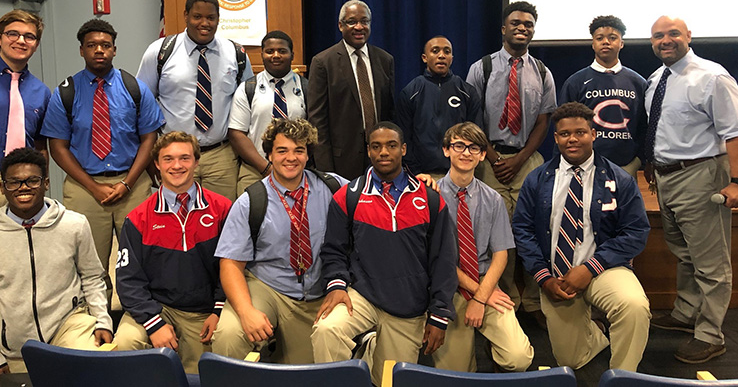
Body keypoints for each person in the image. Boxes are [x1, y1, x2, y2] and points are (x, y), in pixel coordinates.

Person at [311, 122, 457, 386]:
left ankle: (369, 350)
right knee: (326, 330)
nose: (384, 152)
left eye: (391, 145)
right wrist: (336, 285)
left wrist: (439, 314)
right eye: (376, 146)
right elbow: (334, 249)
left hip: (408, 306)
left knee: (389, 382)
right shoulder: (349, 196)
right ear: (368, 151)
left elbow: (444, 261)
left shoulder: (430, 199)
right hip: (362, 296)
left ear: (403, 149)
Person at [512, 102, 650, 371]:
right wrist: (543, 277)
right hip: (556, 276)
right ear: (556, 138)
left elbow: (636, 232)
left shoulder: (619, 179)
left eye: (580, 132)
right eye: (564, 134)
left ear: (593, 134)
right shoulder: (537, 179)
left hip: (603, 269)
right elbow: (523, 230)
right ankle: (596, 333)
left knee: (634, 306)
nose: (572, 139)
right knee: (571, 361)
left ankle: (623, 376)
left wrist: (590, 268)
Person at [212, 118, 346, 363]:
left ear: (308, 155)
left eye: (299, 150)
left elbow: (374, 193)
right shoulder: (251, 201)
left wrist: (419, 181)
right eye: (282, 150)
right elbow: (230, 264)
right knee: (229, 334)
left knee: (311, 373)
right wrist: (246, 312)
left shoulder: (333, 187)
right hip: (268, 287)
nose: (291, 158)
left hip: (318, 291)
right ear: (269, 155)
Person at [0, 148, 112, 373]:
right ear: (2, 188)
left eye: (32, 181)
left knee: (92, 372)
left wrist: (103, 320)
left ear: (46, 183)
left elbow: (93, 277)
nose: (23, 188)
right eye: (14, 182)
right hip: (15, 346)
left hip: (69, 326)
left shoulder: (74, 225)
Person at [645, 16, 738, 364]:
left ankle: (711, 334)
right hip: (668, 178)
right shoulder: (657, 79)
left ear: (688, 36)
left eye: (672, 34)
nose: (665, 40)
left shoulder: (712, 77)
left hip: (702, 175)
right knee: (683, 251)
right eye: (658, 36)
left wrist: (736, 182)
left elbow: (734, 132)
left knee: (711, 263)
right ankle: (686, 314)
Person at [41, 19, 165, 273]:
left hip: (132, 184)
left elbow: (149, 140)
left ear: (114, 50)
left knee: (141, 257)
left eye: (105, 45)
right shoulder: (65, 93)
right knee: (88, 262)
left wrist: (128, 182)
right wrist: (93, 187)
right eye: (92, 45)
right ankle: (97, 311)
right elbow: (58, 148)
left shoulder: (135, 89)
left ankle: (137, 311)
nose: (99, 50)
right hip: (84, 186)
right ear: (81, 50)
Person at [466, 1, 557, 323]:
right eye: (516, 23)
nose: (522, 28)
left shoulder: (542, 72)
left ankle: (533, 301)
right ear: (504, 28)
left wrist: (519, 159)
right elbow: (471, 117)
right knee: (495, 235)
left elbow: (544, 121)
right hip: (489, 159)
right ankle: (508, 298)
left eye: (528, 24)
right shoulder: (482, 68)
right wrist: (492, 156)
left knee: (533, 230)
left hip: (527, 160)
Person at [114, 132, 232, 373]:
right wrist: (154, 324)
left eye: (184, 158)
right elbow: (128, 281)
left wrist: (219, 309)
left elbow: (232, 268)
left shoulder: (223, 209)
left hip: (205, 312)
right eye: (168, 159)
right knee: (126, 340)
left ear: (196, 162)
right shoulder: (137, 219)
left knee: (212, 365)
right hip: (159, 308)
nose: (176, 166)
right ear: (157, 164)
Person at [432, 122, 533, 373]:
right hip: (447, 287)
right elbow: (437, 260)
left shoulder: (493, 199)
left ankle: (493, 348)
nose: (466, 153)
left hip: (484, 281)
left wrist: (482, 294)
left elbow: (501, 255)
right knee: (454, 374)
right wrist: (478, 294)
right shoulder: (430, 196)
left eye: (474, 148)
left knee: (519, 358)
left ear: (482, 155)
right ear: (446, 150)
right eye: (459, 146)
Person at [136, 0, 254, 201]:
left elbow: (247, 104)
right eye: (197, 17)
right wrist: (148, 158)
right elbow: (142, 106)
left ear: (218, 19)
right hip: (175, 155)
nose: (204, 23)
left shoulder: (235, 53)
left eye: (211, 18)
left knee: (221, 220)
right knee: (175, 218)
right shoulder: (160, 52)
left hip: (221, 156)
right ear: (186, 16)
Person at [0, 10, 51, 235]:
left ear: (36, 44)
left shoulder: (41, 92)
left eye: (29, 36)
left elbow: (40, 145)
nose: (21, 41)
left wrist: (42, 182)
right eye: (13, 33)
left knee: (18, 253)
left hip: (24, 186)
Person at [307, 0, 396, 180]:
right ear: (340, 25)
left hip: (381, 157)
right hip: (340, 162)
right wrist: (326, 171)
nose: (359, 27)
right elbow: (317, 120)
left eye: (364, 21)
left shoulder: (385, 60)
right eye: (352, 22)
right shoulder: (323, 62)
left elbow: (389, 112)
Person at [559, 15, 647, 176]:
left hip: (626, 168)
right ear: (593, 43)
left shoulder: (638, 83)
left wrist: (638, 162)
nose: (606, 42)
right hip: (585, 168)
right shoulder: (576, 82)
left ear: (621, 43)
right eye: (600, 38)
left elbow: (644, 128)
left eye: (612, 38)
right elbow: (562, 127)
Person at [228, 31, 307, 195]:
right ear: (262, 54)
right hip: (255, 171)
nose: (276, 55)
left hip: (296, 171)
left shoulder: (307, 88)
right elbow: (237, 133)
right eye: (270, 51)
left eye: (282, 51)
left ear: (292, 55)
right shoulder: (247, 88)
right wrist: (266, 168)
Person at [397, 36, 482, 179]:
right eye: (435, 51)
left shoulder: (467, 92)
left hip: (459, 173)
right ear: (425, 57)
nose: (441, 55)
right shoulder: (411, 92)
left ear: (452, 58)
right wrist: (416, 172)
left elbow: (476, 136)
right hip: (422, 175)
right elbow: (404, 136)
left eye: (446, 52)